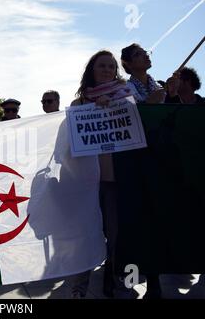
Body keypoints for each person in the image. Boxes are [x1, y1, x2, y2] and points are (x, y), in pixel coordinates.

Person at [71, 50, 133, 299]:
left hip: (117, 179)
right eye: (102, 66)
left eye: (111, 66)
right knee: (87, 232)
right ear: (92, 71)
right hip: (88, 182)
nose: (107, 70)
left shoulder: (127, 98)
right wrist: (94, 110)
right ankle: (80, 283)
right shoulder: (79, 105)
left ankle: (111, 277)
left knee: (115, 234)